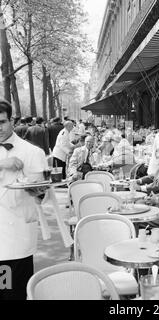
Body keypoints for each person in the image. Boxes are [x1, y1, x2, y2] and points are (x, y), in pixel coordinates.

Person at [0, 99, 48, 300]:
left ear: (11, 120)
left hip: (14, 240)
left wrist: (37, 190)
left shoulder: (32, 152)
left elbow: (41, 194)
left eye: (1, 122)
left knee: (11, 294)